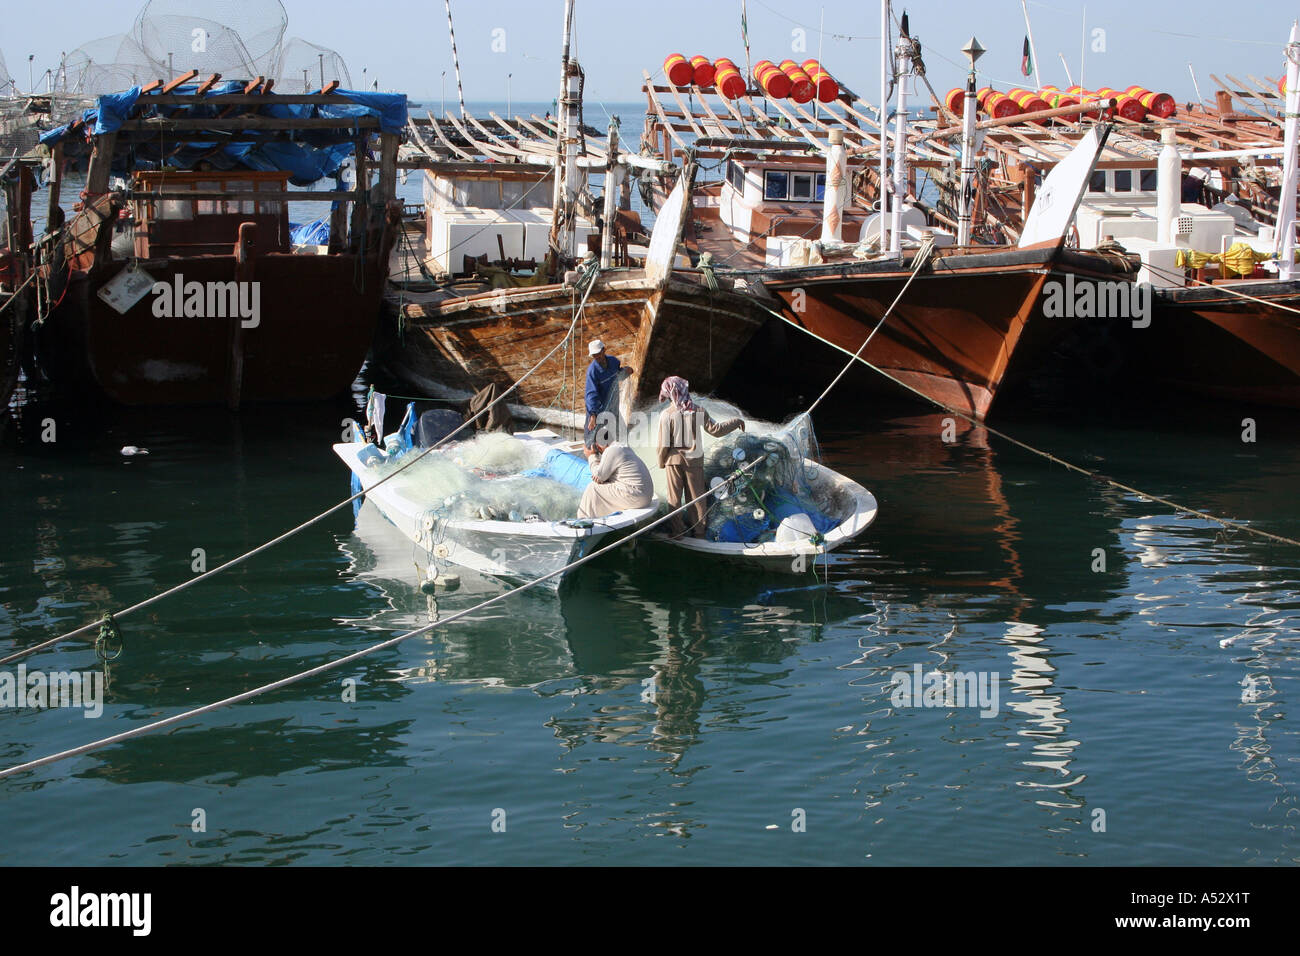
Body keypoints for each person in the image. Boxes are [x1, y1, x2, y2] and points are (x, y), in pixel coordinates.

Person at [655, 376, 743, 538]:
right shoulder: (698, 410)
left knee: (674, 499)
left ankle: (677, 532)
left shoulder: (666, 415)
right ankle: (700, 532)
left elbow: (663, 444)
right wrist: (736, 422)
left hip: (673, 462)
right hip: (694, 461)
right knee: (697, 498)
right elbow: (717, 430)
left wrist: (661, 461)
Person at [577, 441, 654, 519]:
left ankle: (583, 521)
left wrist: (592, 456)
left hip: (637, 497)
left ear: (597, 445)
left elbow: (598, 476)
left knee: (593, 488)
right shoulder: (622, 447)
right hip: (645, 496)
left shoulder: (611, 450)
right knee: (604, 486)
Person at [584, 339, 633, 448]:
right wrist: (593, 415)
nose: (597, 357)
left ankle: (625, 455)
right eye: (594, 355)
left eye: (598, 354)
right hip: (599, 411)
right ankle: (592, 455)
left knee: (621, 434)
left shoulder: (613, 361)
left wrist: (626, 371)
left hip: (613, 408)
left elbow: (618, 375)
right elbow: (591, 394)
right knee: (592, 437)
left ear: (604, 350)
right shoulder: (592, 371)